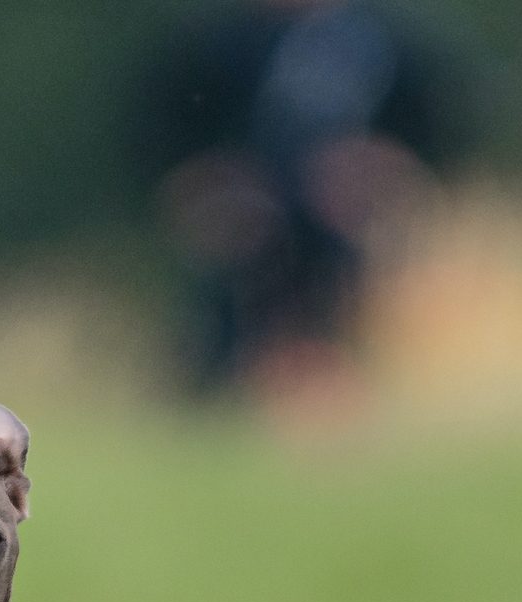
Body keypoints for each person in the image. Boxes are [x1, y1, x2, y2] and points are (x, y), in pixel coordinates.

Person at [143, 0, 472, 397]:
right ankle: (228, 378)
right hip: (251, 205)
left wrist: (377, 168)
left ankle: (340, 375)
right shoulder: (215, 42)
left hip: (350, 211)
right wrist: (216, 182)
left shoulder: (384, 39)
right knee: (244, 257)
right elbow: (174, 138)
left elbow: (436, 133)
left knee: (342, 262)